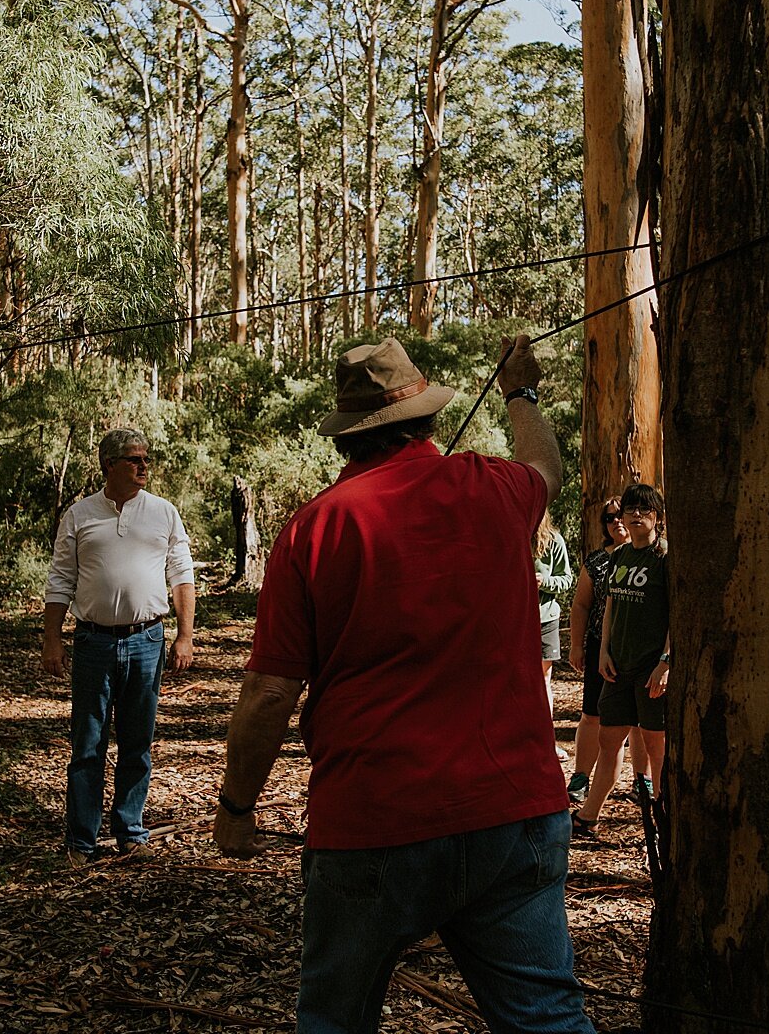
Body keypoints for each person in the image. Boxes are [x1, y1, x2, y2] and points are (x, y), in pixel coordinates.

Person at [212, 335, 596, 1034]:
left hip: (374, 825)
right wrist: (521, 392)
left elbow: (270, 693)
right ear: (425, 418)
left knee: (336, 1021)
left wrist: (237, 806)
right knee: (547, 1019)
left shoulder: (314, 527)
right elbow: (546, 463)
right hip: (511, 815)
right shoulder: (496, 488)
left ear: (347, 438)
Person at [41, 429, 197, 866]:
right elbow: (60, 580)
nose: (144, 466)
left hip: (147, 640)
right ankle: (81, 842)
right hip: (94, 642)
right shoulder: (80, 515)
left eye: (146, 458)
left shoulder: (163, 513)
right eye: (134, 459)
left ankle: (130, 831)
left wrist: (184, 635)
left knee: (137, 743)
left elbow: (181, 575)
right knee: (88, 744)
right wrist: (52, 640)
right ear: (108, 465)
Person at [572, 484, 670, 837]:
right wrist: (604, 651)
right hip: (618, 667)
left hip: (650, 670)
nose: (635, 515)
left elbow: (677, 613)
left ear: (657, 517)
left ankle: (663, 818)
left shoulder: (664, 557)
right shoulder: (620, 556)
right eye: (630, 509)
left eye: (644, 510)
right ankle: (588, 815)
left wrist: (665, 662)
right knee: (609, 740)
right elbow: (611, 603)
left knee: (656, 747)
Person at [564, 498, 623, 810]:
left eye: (621, 514)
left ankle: (647, 781)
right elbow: (581, 604)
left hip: (639, 651)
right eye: (609, 518)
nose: (617, 522)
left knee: (639, 727)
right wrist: (577, 645)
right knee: (592, 714)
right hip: (599, 645)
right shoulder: (597, 561)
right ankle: (580, 777)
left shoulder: (657, 556)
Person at [535, 513, 575, 762]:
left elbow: (567, 580)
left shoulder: (554, 540)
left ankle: (547, 742)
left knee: (544, 679)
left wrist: (544, 581)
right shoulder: (509, 532)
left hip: (545, 619)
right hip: (512, 617)